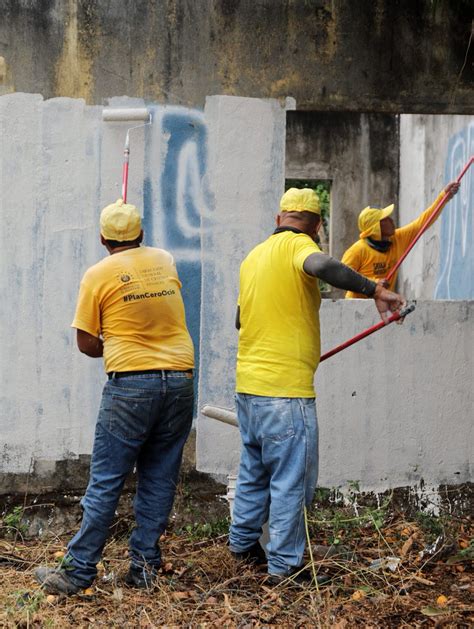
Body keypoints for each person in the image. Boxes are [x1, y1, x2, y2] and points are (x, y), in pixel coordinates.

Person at [228, 188, 405, 585]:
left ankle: (241, 547)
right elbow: (324, 266)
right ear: (317, 225)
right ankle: (285, 568)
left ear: (279, 218)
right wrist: (375, 289)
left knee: (254, 472)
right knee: (291, 480)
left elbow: (241, 320)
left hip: (249, 389)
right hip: (285, 392)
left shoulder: (252, 258)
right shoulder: (298, 247)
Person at [35, 199, 195, 594]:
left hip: (131, 385)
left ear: (102, 238)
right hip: (179, 379)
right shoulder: (166, 259)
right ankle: (145, 569)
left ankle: (78, 571)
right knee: (159, 477)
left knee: (107, 480)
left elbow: (86, 343)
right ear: (141, 233)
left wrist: (117, 342)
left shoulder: (98, 273)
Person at [341, 182, 460, 298]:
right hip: (355, 307)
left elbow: (422, 222)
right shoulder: (356, 251)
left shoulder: (397, 239)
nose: (391, 220)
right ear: (376, 228)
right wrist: (373, 283)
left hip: (382, 304)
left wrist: (444, 196)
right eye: (386, 219)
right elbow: (342, 277)